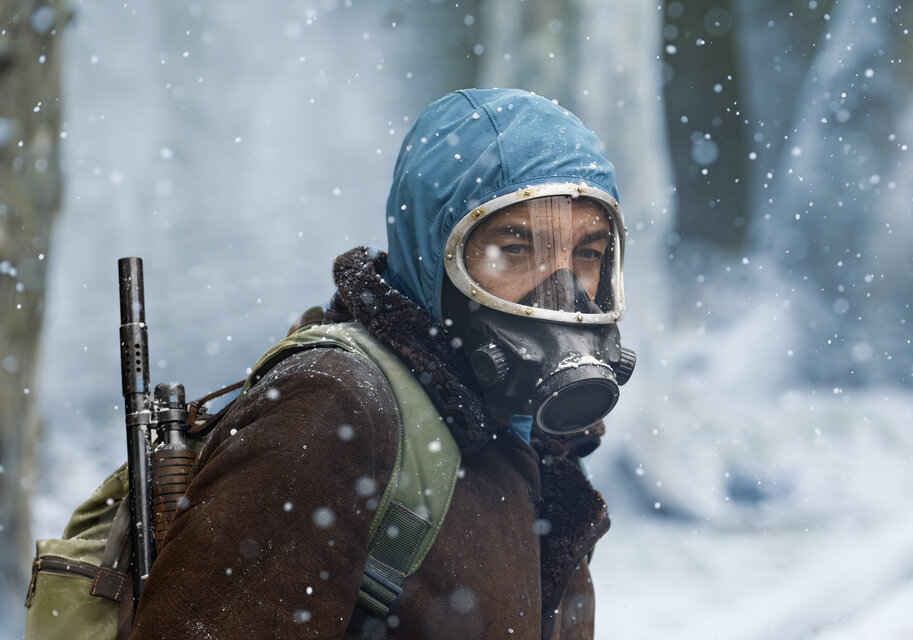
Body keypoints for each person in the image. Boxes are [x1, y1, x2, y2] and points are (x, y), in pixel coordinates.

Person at [129, 88, 635, 640]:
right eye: (515, 250)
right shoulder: (332, 410)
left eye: (586, 253)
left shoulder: (536, 438)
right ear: (433, 253)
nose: (560, 293)